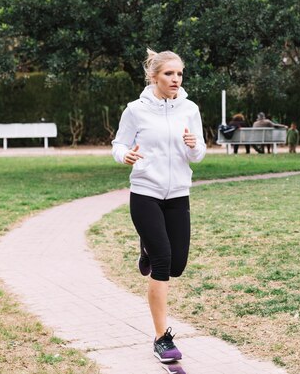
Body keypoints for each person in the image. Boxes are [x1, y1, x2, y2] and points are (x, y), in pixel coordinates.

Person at [111, 49, 206, 369]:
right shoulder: (135, 110)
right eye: (169, 74)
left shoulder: (190, 109)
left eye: (179, 74)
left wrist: (194, 146)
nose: (175, 79)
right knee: (164, 262)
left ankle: (148, 249)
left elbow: (199, 155)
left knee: (177, 265)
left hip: (178, 193)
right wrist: (124, 156)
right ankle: (161, 338)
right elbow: (119, 144)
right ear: (154, 77)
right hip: (145, 193)